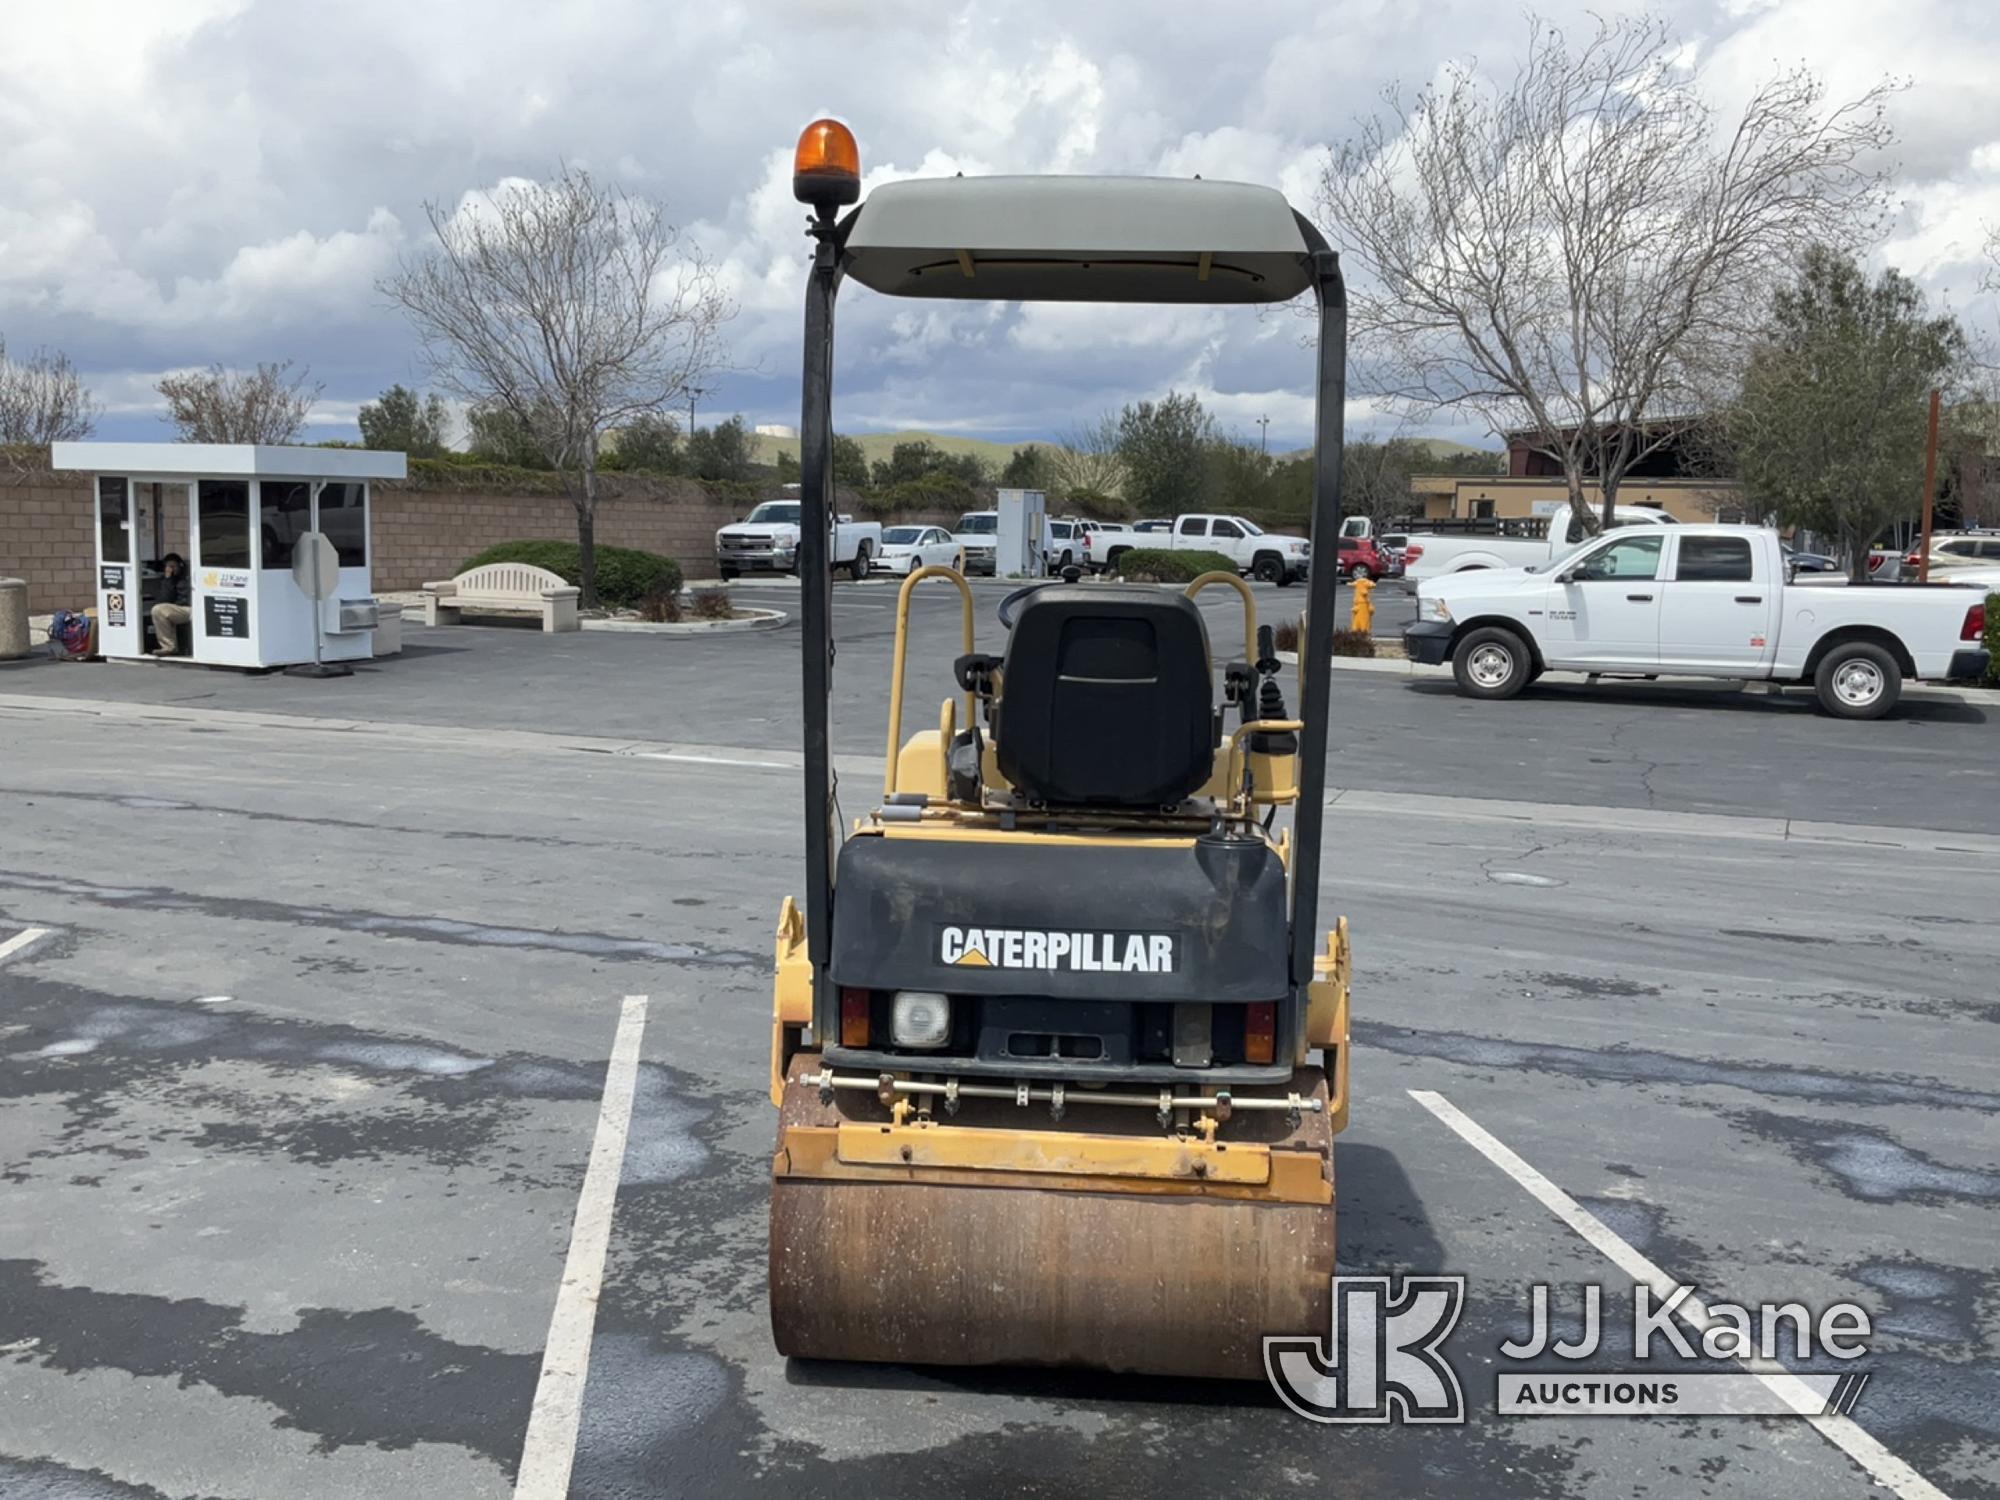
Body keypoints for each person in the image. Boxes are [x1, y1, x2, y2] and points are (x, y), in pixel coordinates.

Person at [150, 553, 191, 656]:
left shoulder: (188, 576)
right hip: (180, 609)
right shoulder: (170, 580)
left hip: (193, 607)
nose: (171, 569)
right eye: (168, 567)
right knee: (158, 610)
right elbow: (164, 599)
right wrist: (168, 579)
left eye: (173, 567)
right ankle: (168, 647)